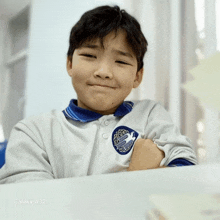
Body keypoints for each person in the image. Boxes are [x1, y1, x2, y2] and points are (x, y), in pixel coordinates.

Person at [0, 5, 197, 184]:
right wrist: (138, 176)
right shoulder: (34, 133)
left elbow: (185, 169)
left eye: (120, 61)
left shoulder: (150, 115)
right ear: (70, 63)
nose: (103, 71)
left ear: (138, 75)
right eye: (89, 56)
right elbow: (30, 204)